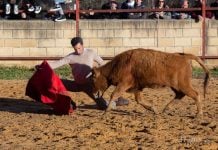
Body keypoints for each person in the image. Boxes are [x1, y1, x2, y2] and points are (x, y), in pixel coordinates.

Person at [41, 37, 128, 110]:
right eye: (75, 49)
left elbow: (103, 64)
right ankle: (54, 102)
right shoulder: (70, 57)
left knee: (104, 106)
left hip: (89, 86)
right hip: (76, 84)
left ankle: (115, 102)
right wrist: (43, 66)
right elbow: (57, 63)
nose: (78, 51)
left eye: (79, 48)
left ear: (82, 45)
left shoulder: (91, 53)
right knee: (55, 82)